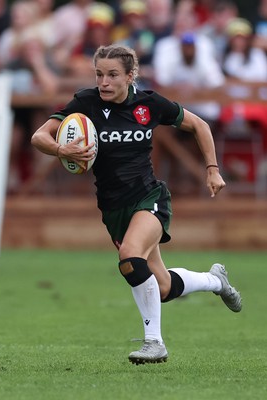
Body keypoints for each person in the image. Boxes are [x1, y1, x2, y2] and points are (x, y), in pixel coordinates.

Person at [31, 44, 242, 365]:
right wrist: (63, 150)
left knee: (129, 256)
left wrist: (212, 169)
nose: (104, 82)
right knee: (161, 288)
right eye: (99, 74)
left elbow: (200, 125)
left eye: (113, 75)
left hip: (150, 197)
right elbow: (39, 137)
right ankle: (216, 281)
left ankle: (154, 343)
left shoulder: (149, 104)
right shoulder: (85, 103)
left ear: (131, 76)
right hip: (113, 209)